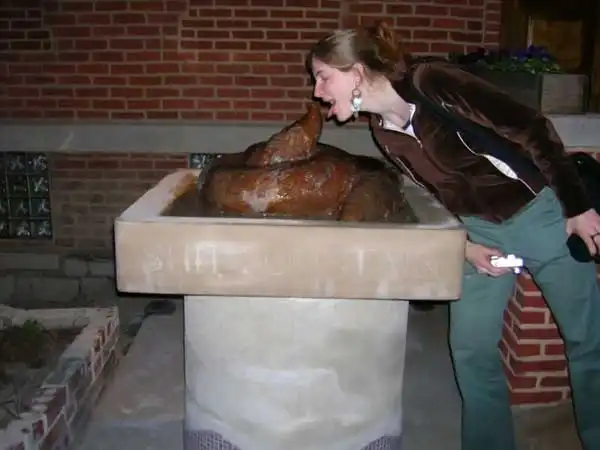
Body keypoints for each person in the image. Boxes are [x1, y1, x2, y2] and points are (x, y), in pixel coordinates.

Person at [306, 20, 600, 450]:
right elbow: (433, 197)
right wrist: (466, 248)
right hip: (479, 232)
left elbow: (531, 126)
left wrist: (576, 207)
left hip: (538, 216)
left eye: (322, 77)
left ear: (356, 71)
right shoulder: (383, 133)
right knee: (471, 350)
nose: (317, 91)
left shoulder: (432, 81)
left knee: (586, 340)